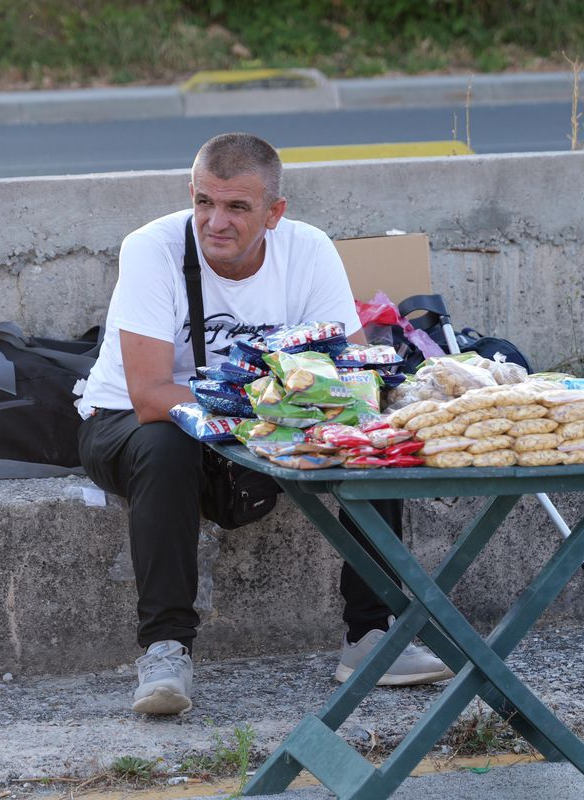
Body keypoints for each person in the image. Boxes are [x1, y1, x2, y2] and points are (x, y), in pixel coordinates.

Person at [77, 133, 453, 716]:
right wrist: (280, 405)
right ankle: (165, 650)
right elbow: (150, 395)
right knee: (165, 441)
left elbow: (351, 380)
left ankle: (372, 636)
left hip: (254, 418)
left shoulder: (307, 249)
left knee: (363, 431)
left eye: (236, 207)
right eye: (204, 202)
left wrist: (320, 413)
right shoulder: (151, 248)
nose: (214, 222)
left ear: (275, 213)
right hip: (127, 423)